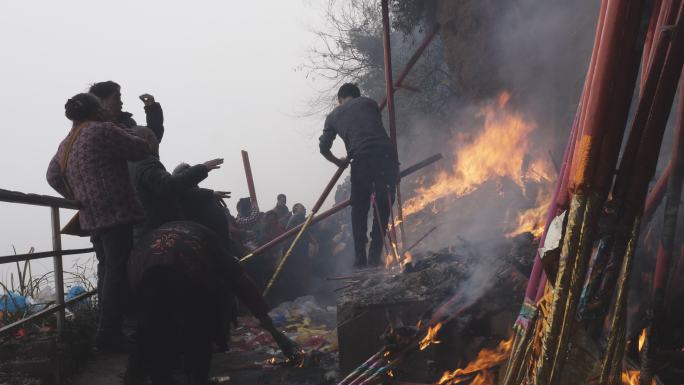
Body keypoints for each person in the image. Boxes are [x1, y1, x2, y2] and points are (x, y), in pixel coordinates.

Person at [124, 221, 300, 385]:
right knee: (199, 330)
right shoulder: (211, 241)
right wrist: (267, 322)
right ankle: (194, 376)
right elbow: (240, 281)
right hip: (183, 269)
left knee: (151, 328)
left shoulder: (193, 234)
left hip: (141, 268)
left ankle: (152, 376)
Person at [46, 93, 151, 351]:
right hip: (115, 210)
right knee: (117, 271)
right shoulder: (102, 130)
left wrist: (78, 196)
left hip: (91, 215)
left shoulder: (66, 143)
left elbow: (52, 175)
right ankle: (108, 335)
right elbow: (139, 149)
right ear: (96, 109)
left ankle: (108, 329)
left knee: (107, 268)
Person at [319, 83, 399, 268]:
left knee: (359, 211)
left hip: (361, 159)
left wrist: (338, 162)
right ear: (357, 95)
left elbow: (323, 148)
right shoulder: (369, 103)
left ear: (340, 99)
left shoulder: (333, 116)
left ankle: (361, 260)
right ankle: (374, 258)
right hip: (387, 155)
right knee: (383, 206)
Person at [89, 81, 164, 141]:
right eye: (116, 98)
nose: (121, 102)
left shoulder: (126, 123)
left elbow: (152, 139)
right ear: (101, 101)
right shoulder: (90, 130)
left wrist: (152, 108)